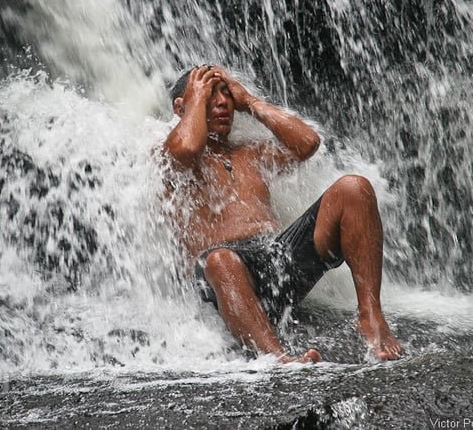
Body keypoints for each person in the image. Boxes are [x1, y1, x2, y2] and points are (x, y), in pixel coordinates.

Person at [161, 64, 402, 363]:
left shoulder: (250, 153)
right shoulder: (170, 158)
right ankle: (277, 357)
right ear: (181, 107)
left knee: (355, 188)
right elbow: (186, 148)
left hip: (276, 260)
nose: (223, 102)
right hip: (222, 279)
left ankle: (370, 317)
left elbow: (307, 143)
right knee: (221, 260)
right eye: (209, 95)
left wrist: (250, 102)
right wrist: (194, 101)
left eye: (226, 94)